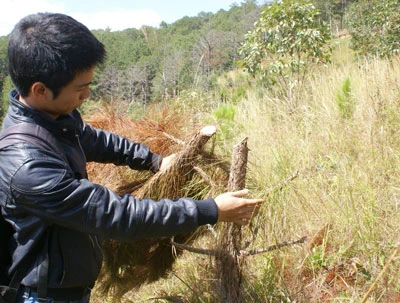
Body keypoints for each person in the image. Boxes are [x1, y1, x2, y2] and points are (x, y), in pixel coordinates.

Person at [0, 12, 264, 303]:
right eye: (80, 88)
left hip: (66, 288)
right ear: (40, 90)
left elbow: (96, 140)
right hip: (43, 296)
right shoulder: (27, 164)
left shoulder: (54, 119)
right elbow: (118, 216)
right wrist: (210, 210)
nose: (87, 95)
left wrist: (154, 161)